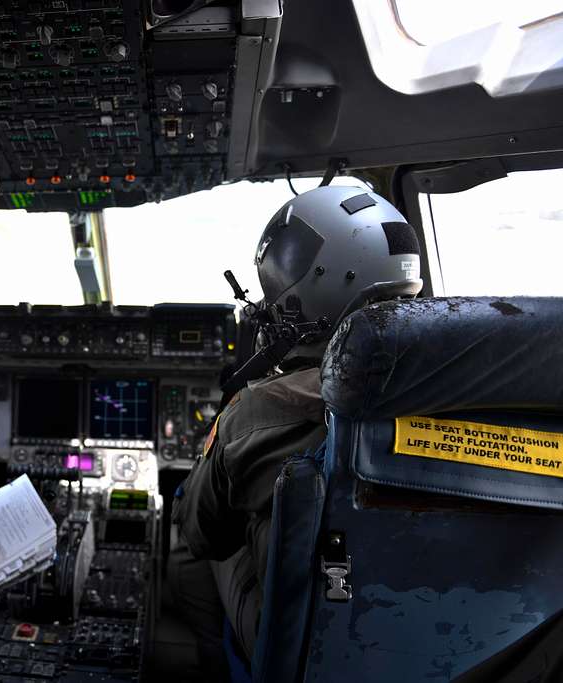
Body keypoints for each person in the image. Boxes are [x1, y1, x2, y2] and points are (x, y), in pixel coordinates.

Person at [171, 186, 423, 664]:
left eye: (274, 297)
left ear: (307, 297)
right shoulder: (474, 381)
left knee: (187, 546)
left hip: (318, 650)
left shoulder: (258, 413)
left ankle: (216, 667)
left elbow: (203, 532)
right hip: (448, 636)